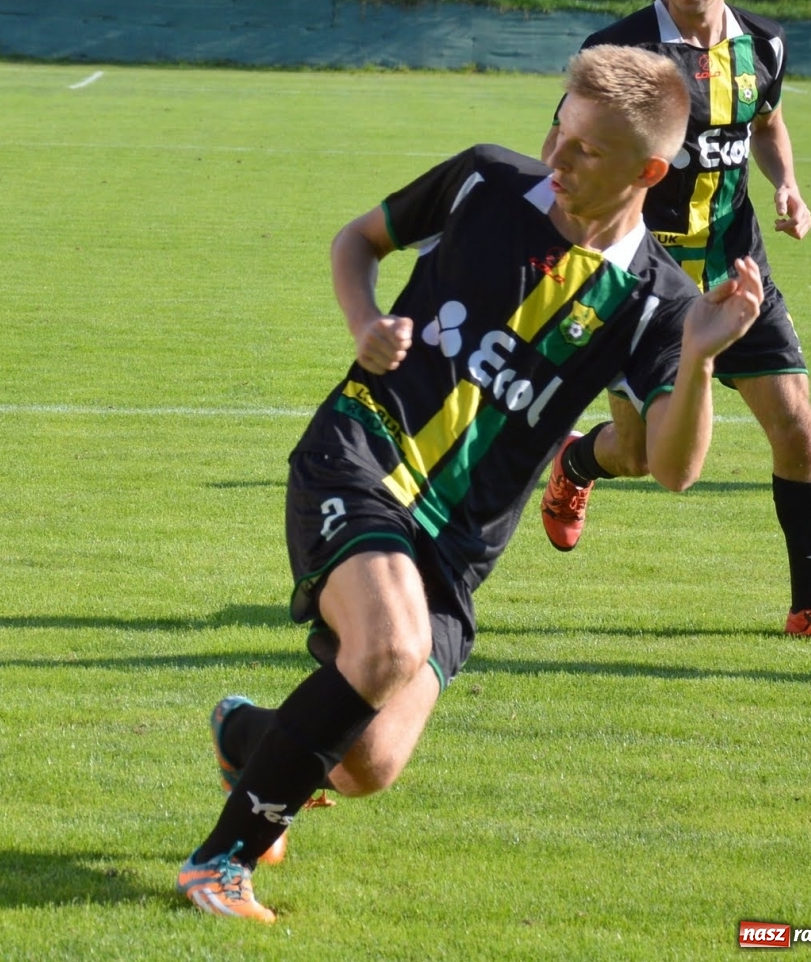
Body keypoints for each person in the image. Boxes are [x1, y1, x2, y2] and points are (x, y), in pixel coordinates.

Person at [178, 45, 764, 922]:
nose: (555, 159)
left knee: (365, 761)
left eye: (583, 152)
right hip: (363, 453)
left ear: (646, 170)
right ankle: (219, 863)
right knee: (383, 650)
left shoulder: (655, 302)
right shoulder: (485, 182)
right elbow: (357, 240)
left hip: (456, 547)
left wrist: (698, 359)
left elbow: (672, 467)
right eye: (556, 130)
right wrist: (364, 322)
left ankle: (248, 737)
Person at [537, 0, 811, 643]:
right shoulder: (620, 54)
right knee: (645, 454)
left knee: (796, 424)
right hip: (643, 288)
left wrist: (786, 183)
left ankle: (809, 606)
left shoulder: (765, 45)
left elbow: (766, 122)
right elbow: (555, 154)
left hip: (735, 273)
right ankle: (580, 462)